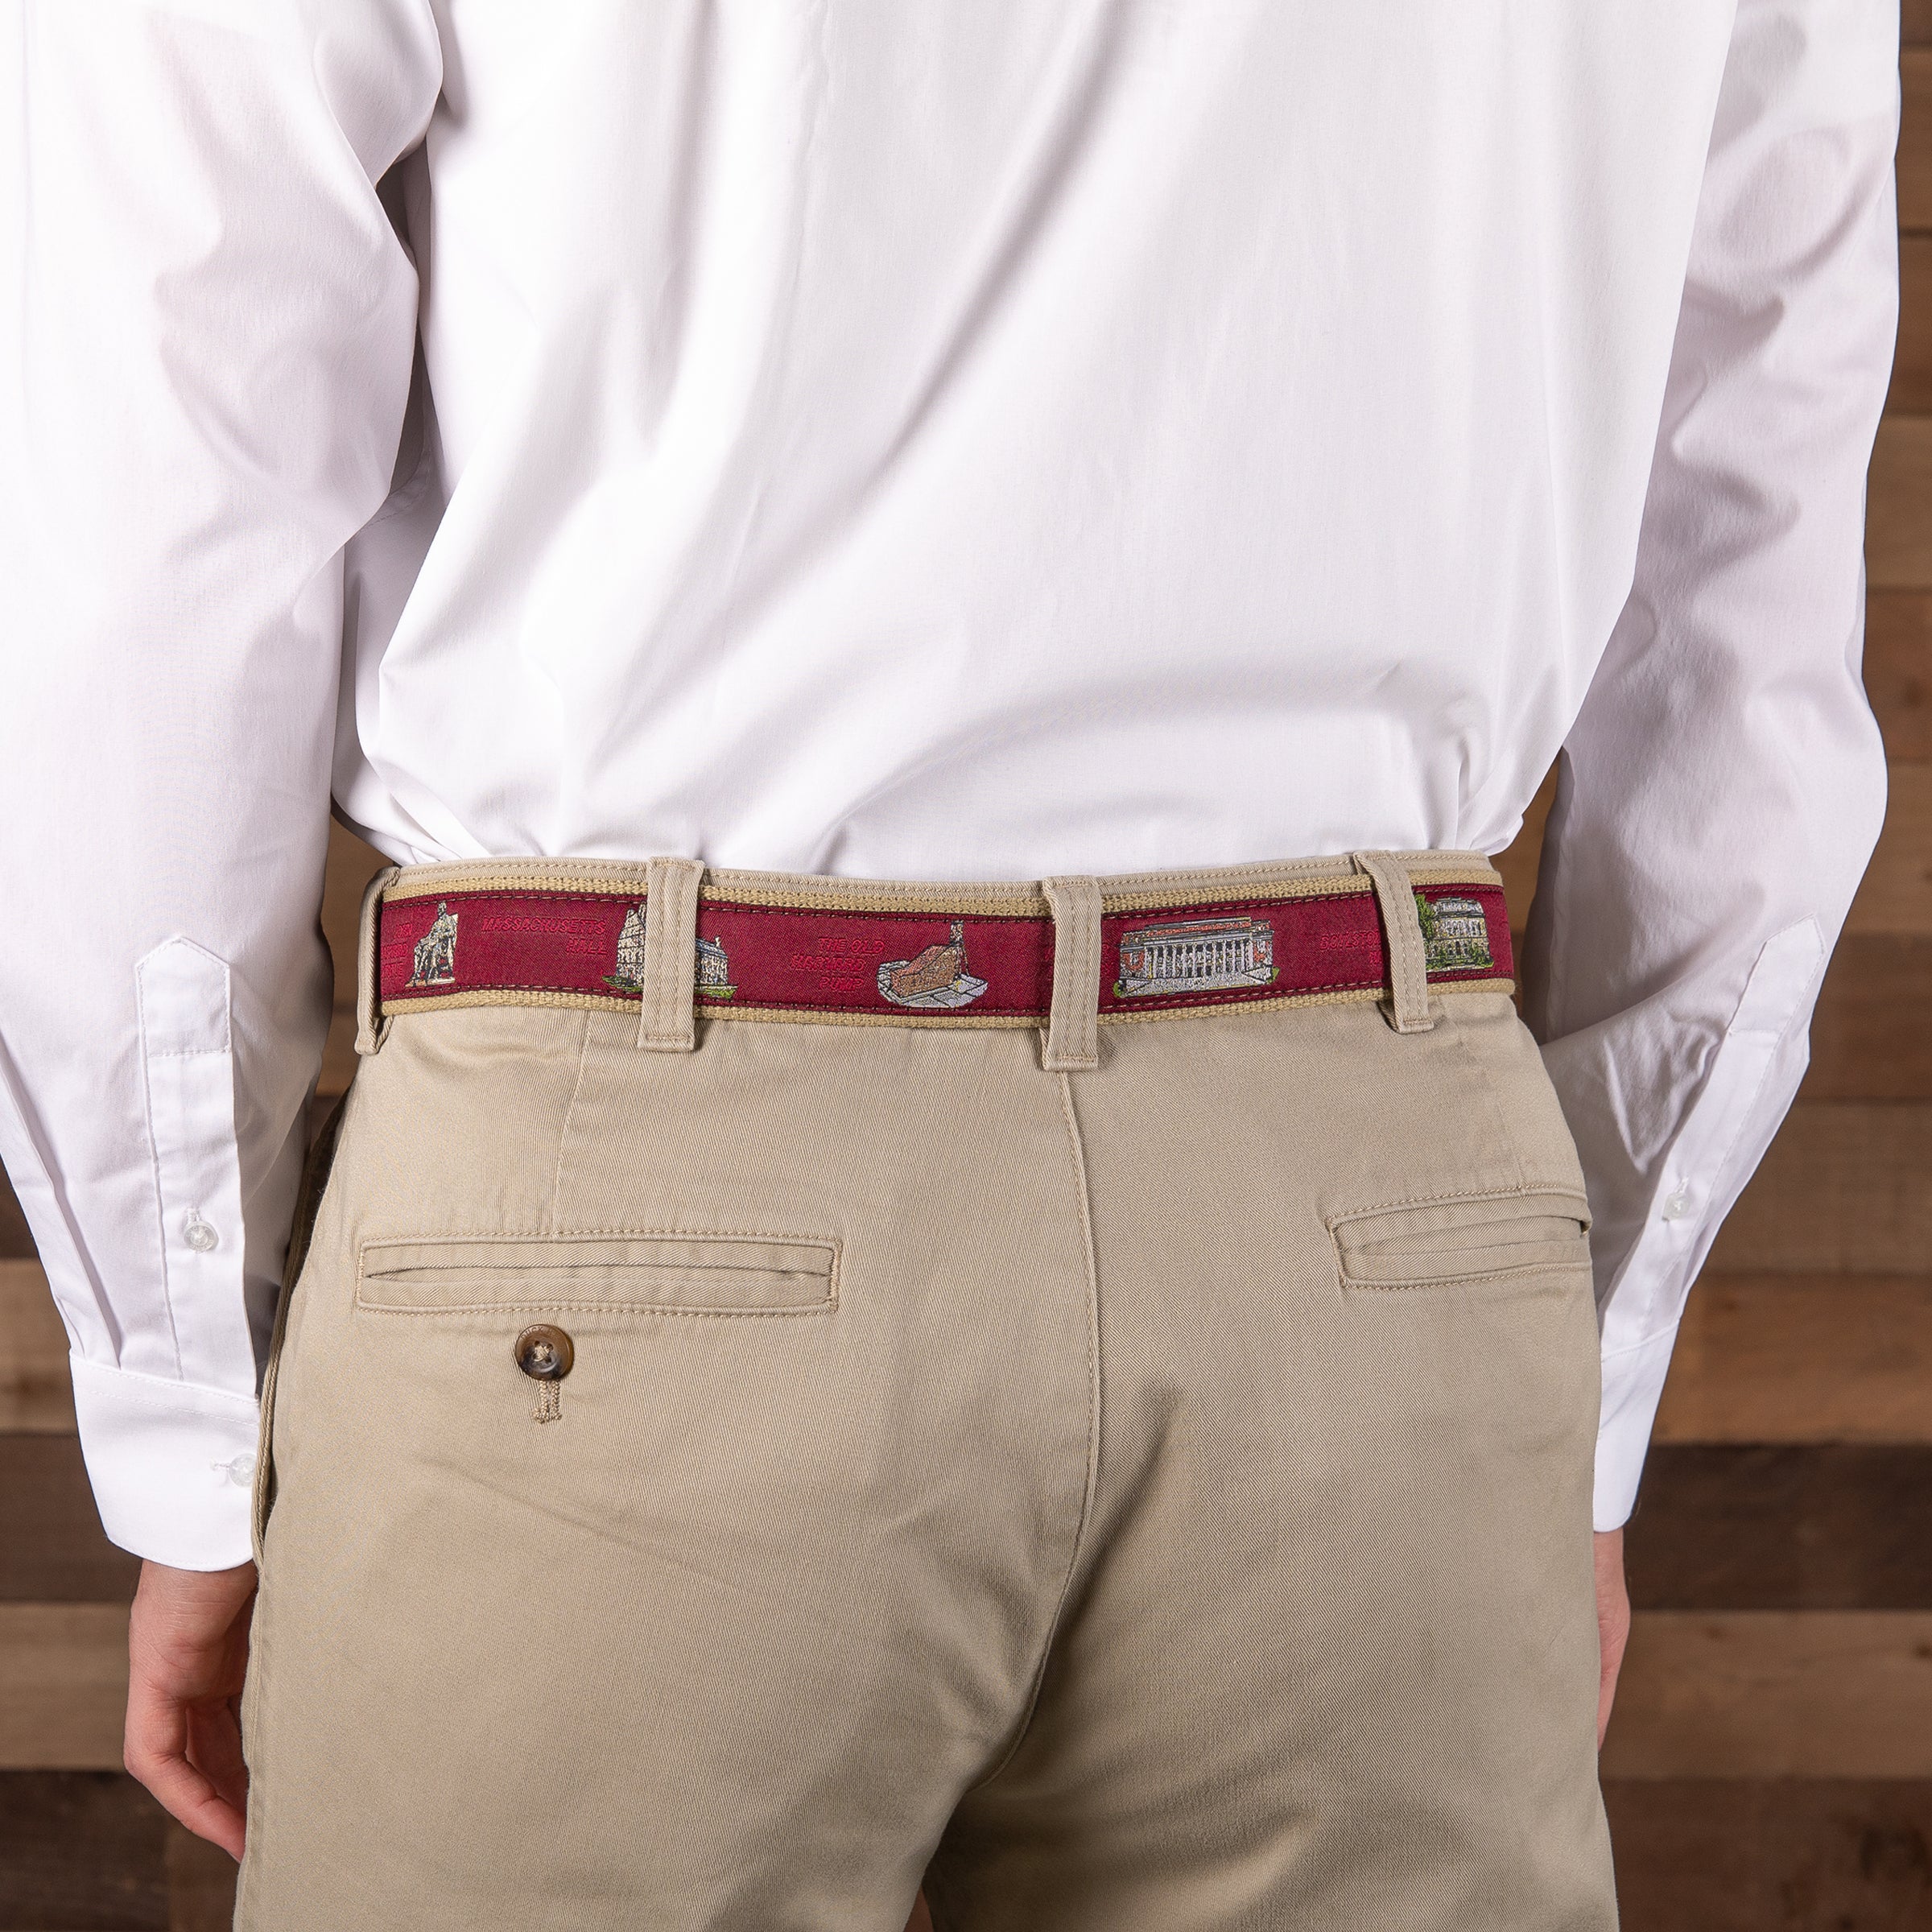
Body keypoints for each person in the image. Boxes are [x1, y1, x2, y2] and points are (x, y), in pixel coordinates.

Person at [0, 4, 1898, 1926]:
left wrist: (188, 1401)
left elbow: (148, 541)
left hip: (612, 1228)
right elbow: (1748, 592)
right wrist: (1586, 1373)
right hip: (1384, 1252)